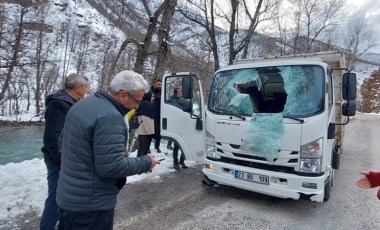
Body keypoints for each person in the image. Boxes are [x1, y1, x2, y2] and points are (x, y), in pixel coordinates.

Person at [56, 70, 160, 229]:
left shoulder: (83, 104)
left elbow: (63, 144)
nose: (138, 106)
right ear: (123, 95)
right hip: (91, 207)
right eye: (137, 101)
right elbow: (112, 167)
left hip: (68, 198)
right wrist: (146, 162)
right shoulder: (111, 117)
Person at [40, 73, 89, 230]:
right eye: (86, 87)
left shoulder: (72, 103)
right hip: (59, 160)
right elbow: (52, 138)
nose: (88, 90)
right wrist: (63, 161)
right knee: (56, 198)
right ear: (78, 88)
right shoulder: (59, 104)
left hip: (67, 157)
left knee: (66, 199)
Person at [169, 87, 188, 170]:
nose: (180, 92)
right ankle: (175, 162)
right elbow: (177, 110)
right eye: (179, 91)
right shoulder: (172, 100)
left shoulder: (182, 100)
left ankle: (182, 161)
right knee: (177, 146)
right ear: (175, 92)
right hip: (176, 125)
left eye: (181, 91)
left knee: (184, 145)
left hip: (183, 124)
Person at [136, 93, 155, 157]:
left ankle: (138, 163)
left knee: (141, 148)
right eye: (151, 96)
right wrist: (151, 133)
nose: (153, 98)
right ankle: (141, 164)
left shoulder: (142, 103)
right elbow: (147, 120)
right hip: (146, 131)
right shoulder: (147, 104)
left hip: (141, 130)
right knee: (145, 149)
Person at [150, 79, 162, 153]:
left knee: (158, 131)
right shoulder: (150, 92)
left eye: (160, 84)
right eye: (158, 84)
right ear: (154, 84)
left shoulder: (162, 92)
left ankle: (157, 146)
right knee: (149, 131)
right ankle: (147, 147)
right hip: (151, 114)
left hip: (159, 114)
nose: (160, 86)